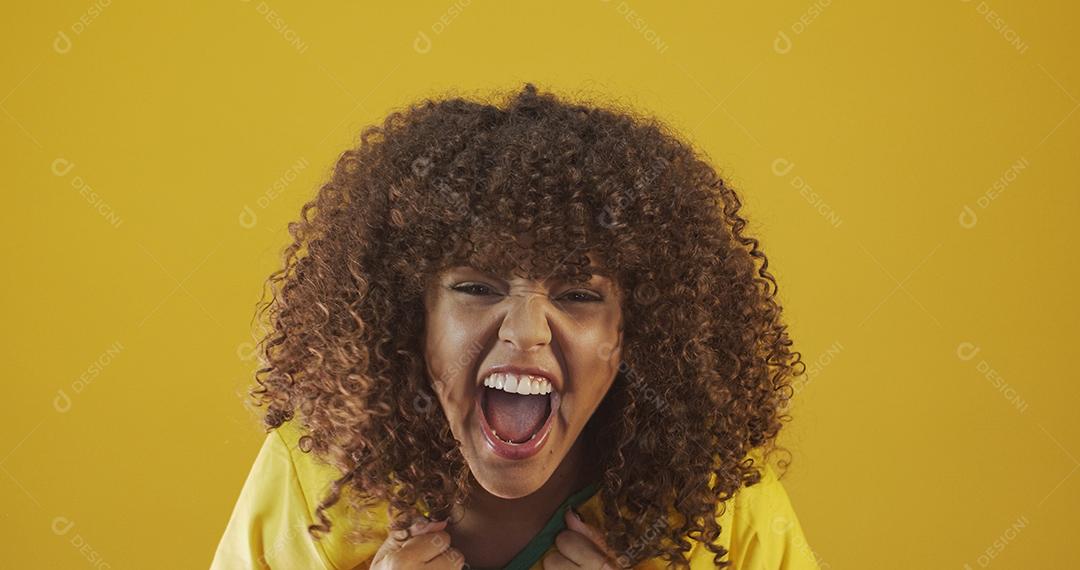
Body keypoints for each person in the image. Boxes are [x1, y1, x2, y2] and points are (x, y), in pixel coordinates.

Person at [211, 83, 820, 569]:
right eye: (476, 288)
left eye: (579, 294)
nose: (525, 331)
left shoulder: (715, 501)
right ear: (410, 315)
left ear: (634, 333)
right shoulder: (316, 478)